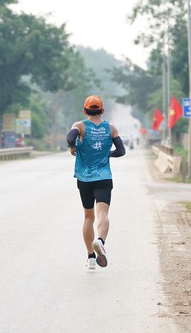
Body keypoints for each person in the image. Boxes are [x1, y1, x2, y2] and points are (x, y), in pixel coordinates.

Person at [66, 95, 125, 270]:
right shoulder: (111, 129)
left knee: (88, 217)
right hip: (104, 177)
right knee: (103, 214)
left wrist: (73, 147)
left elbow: (70, 139)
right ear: (102, 111)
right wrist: (109, 154)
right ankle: (100, 241)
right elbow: (121, 151)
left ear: (85, 110)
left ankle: (91, 257)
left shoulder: (80, 126)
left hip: (84, 179)